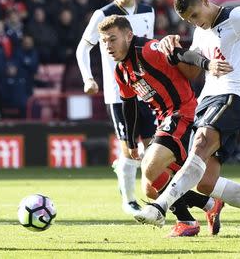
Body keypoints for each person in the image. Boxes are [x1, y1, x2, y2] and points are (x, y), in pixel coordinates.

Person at [134, 0, 240, 240]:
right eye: (189, 20)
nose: (195, 22)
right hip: (206, 102)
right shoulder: (200, 32)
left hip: (231, 97)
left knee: (198, 145)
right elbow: (193, 72)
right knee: (206, 183)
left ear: (205, 1)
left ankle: (159, 206)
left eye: (196, 15)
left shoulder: (237, 17)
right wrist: (174, 52)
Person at [98, 15, 231, 237]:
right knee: (150, 188)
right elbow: (128, 105)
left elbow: (180, 54)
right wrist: (131, 141)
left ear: (129, 36)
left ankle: (186, 221)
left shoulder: (147, 49)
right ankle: (209, 204)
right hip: (166, 119)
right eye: (104, 41)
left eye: (112, 39)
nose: (108, 46)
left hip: (184, 112)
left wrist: (207, 64)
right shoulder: (121, 71)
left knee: (150, 168)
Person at [75, 0, 156, 216]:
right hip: (118, 94)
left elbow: (148, 51)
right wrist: (88, 78)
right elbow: (83, 47)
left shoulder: (148, 11)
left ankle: (159, 197)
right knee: (131, 150)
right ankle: (129, 199)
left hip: (147, 92)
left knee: (155, 149)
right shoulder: (103, 14)